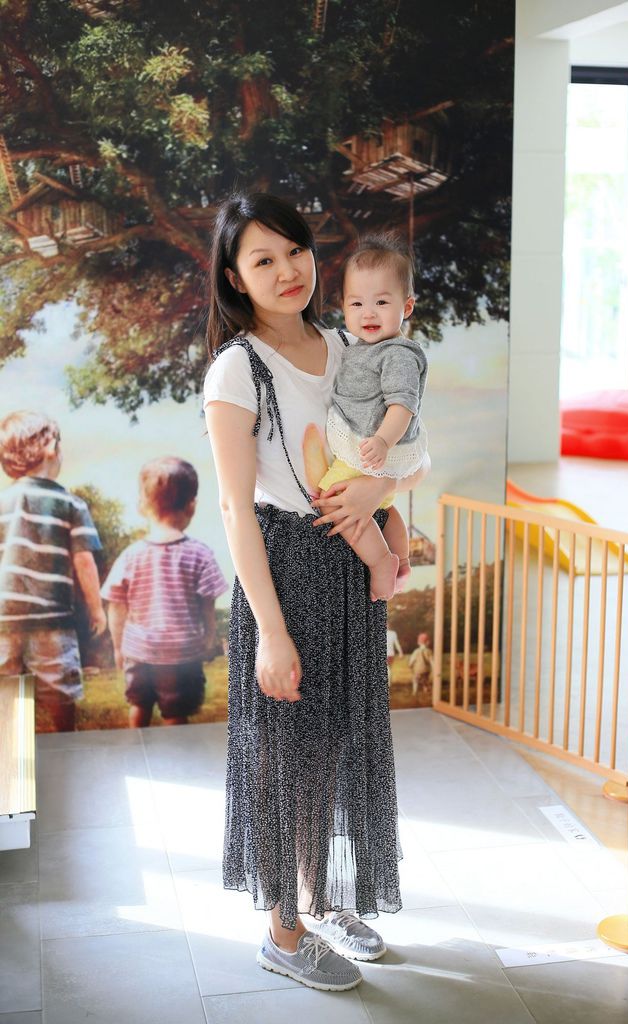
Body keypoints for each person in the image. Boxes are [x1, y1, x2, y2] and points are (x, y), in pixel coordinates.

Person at [203, 191, 430, 992]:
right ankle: (282, 932)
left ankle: (321, 898)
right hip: (284, 570)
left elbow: (396, 455)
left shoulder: (346, 344)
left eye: (294, 250)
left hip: (346, 567)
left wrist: (378, 494)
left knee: (333, 745)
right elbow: (235, 509)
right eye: (262, 259)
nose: (286, 270)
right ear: (235, 277)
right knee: (283, 757)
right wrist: (270, 630)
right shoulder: (237, 368)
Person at [318, 234, 428, 601]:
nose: (368, 313)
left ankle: (381, 561)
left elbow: (403, 405)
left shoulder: (397, 354)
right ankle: (402, 559)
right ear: (344, 307)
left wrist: (382, 440)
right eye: (357, 303)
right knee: (387, 506)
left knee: (333, 501)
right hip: (373, 449)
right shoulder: (361, 347)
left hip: (372, 447)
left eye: (381, 302)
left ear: (406, 306)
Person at [101, 456, 228, 727]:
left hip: (138, 650)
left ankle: (135, 748)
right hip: (181, 653)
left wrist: (118, 646)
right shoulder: (200, 554)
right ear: (191, 506)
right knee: (176, 713)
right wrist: (208, 638)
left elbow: (116, 606)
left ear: (142, 505)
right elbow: (207, 604)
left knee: (138, 706)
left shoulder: (131, 555)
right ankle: (178, 753)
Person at [0, 411, 106, 732]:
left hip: (3, 619)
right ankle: (66, 738)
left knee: (5, 691)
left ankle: (9, 748)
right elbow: (84, 560)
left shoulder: (2, 502)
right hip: (52, 620)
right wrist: (97, 609)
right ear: (49, 448)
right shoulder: (71, 504)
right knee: (60, 692)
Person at [408, 631, 433, 697]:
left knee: (415, 681)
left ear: (418, 642)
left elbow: (412, 660)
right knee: (425, 681)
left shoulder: (416, 651)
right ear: (427, 642)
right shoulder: (429, 651)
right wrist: (434, 668)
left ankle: (414, 692)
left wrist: (410, 665)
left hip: (417, 670)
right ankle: (426, 692)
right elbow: (431, 661)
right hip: (426, 670)